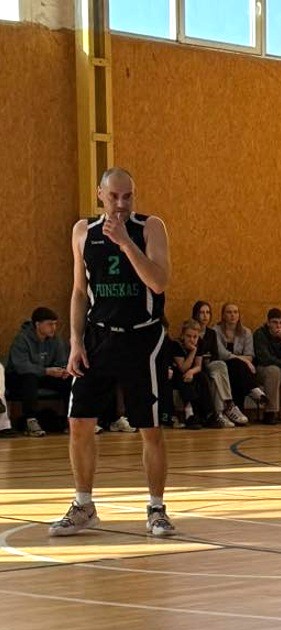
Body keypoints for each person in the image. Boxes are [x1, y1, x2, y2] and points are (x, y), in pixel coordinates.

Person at [55, 168, 176, 537]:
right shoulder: (83, 232)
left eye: (128, 196)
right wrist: (76, 341)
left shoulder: (150, 227)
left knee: (150, 427)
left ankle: (156, 508)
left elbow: (159, 281)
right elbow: (79, 291)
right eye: (114, 196)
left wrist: (125, 243)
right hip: (98, 337)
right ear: (100, 195)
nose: (121, 203)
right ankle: (84, 505)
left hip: (142, 338)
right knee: (79, 422)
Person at [6, 307, 71, 436]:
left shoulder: (56, 340)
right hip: (18, 378)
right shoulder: (22, 339)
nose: (53, 328)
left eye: (55, 324)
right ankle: (30, 421)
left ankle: (72, 420)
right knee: (29, 377)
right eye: (50, 324)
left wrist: (63, 371)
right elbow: (22, 367)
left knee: (68, 380)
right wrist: (46, 371)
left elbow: (61, 361)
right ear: (37, 324)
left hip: (44, 375)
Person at [212, 303, 268, 424]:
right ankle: (253, 390)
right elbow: (222, 354)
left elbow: (250, 355)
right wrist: (243, 360)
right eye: (229, 312)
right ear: (223, 315)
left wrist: (244, 361)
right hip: (222, 365)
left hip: (239, 370)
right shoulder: (215, 331)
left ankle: (238, 412)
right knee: (237, 365)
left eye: (235, 312)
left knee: (238, 369)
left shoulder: (246, 332)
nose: (233, 315)